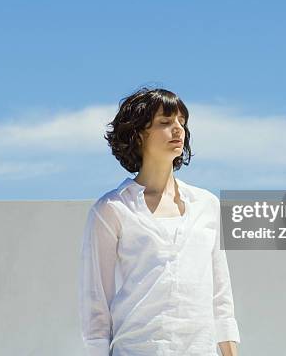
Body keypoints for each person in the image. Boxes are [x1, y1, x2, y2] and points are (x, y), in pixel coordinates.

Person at [78, 87, 240, 355]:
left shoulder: (207, 206)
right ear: (139, 135)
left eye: (182, 123)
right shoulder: (112, 210)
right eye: (165, 122)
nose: (178, 130)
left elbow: (221, 298)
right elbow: (96, 306)